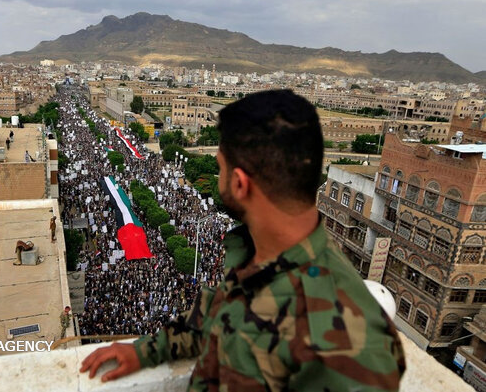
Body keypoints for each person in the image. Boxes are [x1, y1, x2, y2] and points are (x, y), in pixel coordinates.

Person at [80, 90, 406, 391]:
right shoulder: (251, 253)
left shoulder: (354, 344)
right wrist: (145, 351)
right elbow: (213, 317)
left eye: (220, 168)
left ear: (239, 183)